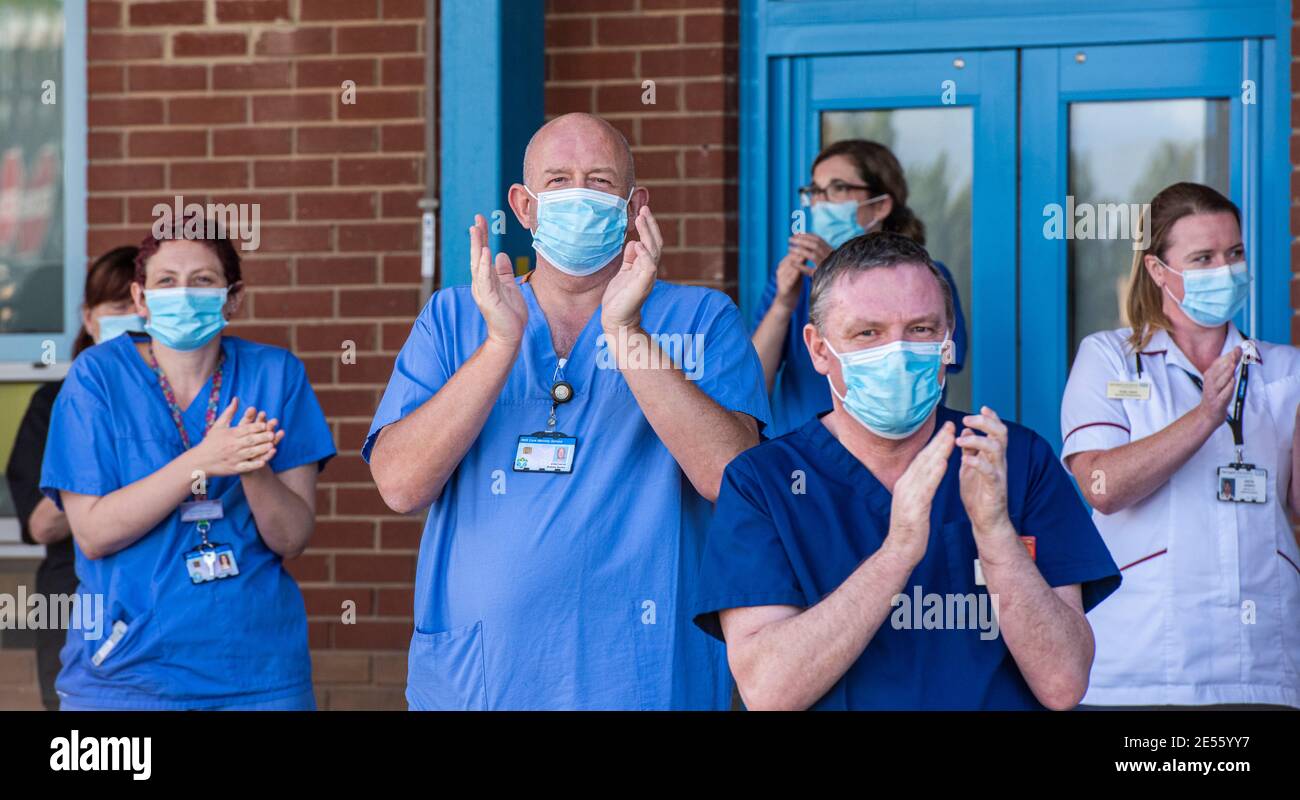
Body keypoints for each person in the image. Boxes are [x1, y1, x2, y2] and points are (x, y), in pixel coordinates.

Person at [365, 113, 769, 710]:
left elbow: (734, 480)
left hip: (643, 678)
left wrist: (626, 331)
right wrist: (500, 345)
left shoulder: (701, 320)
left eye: (601, 182)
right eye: (558, 181)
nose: (579, 194)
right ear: (525, 207)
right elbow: (399, 485)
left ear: (635, 206)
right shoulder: (455, 319)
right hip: (483, 680)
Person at [692, 232, 1120, 710]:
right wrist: (897, 552)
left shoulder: (1016, 461)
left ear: (948, 340)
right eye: (867, 333)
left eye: (920, 330)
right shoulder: (764, 482)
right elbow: (769, 690)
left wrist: (997, 533)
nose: (897, 354)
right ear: (818, 349)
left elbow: (1063, 683)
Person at [38, 220, 335, 711]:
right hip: (127, 675)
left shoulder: (276, 373)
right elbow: (91, 532)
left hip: (257, 674)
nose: (184, 294)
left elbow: (292, 538)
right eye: (167, 281)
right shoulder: (98, 377)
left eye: (202, 281)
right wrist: (202, 459)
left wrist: (251, 467)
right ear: (140, 299)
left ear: (233, 297)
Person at [1061, 182, 1300, 708]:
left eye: (1234, 253)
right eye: (1203, 257)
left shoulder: (1286, 370)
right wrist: (1205, 416)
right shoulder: (1109, 358)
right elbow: (1101, 487)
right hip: (1141, 661)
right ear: (1157, 271)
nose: (1225, 269)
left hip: (1260, 659)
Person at [750, 140, 969, 436]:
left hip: (904, 449)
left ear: (880, 205)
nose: (821, 202)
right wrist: (782, 305)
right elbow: (752, 387)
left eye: (838, 188)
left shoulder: (924, 280)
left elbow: (947, 360)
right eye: (815, 191)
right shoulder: (793, 281)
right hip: (805, 458)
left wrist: (838, 276)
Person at [5, 245, 143, 711]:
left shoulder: (191, 396)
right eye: (117, 306)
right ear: (89, 318)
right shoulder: (55, 403)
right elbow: (43, 524)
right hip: (76, 598)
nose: (132, 316)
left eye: (140, 303)